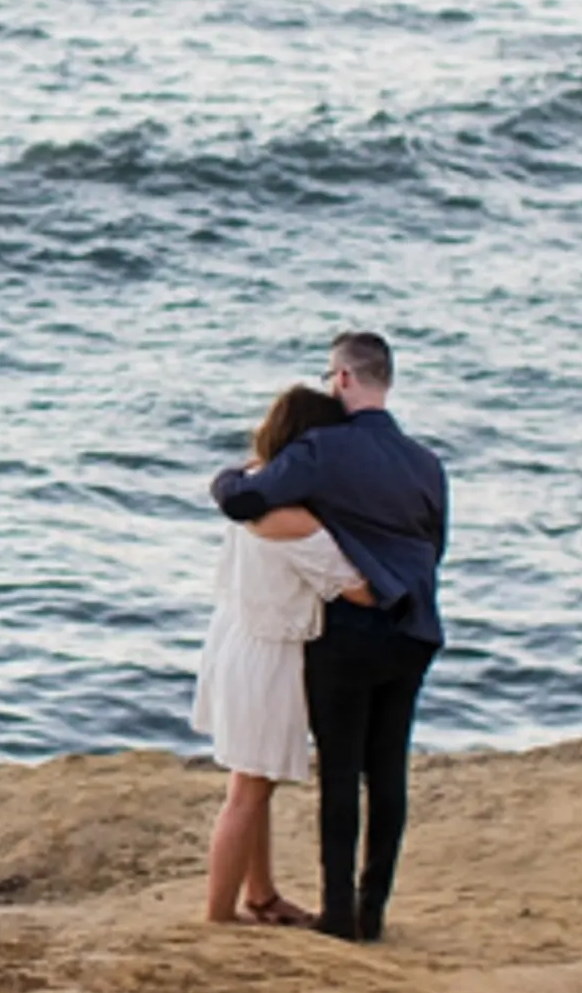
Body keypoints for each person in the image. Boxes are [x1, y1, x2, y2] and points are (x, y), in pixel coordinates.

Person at [211, 331, 448, 943]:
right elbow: (434, 545)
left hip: (350, 633)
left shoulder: (323, 450)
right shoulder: (427, 461)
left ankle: (339, 914)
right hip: (414, 629)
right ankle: (374, 912)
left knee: (341, 772)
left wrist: (227, 476)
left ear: (342, 379)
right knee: (388, 770)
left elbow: (246, 501)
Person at [192, 383, 372, 927]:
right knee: (248, 791)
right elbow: (357, 587)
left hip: (235, 634)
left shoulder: (250, 483)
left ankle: (261, 895)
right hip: (268, 655)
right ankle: (219, 915)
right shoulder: (294, 520)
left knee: (252, 780)